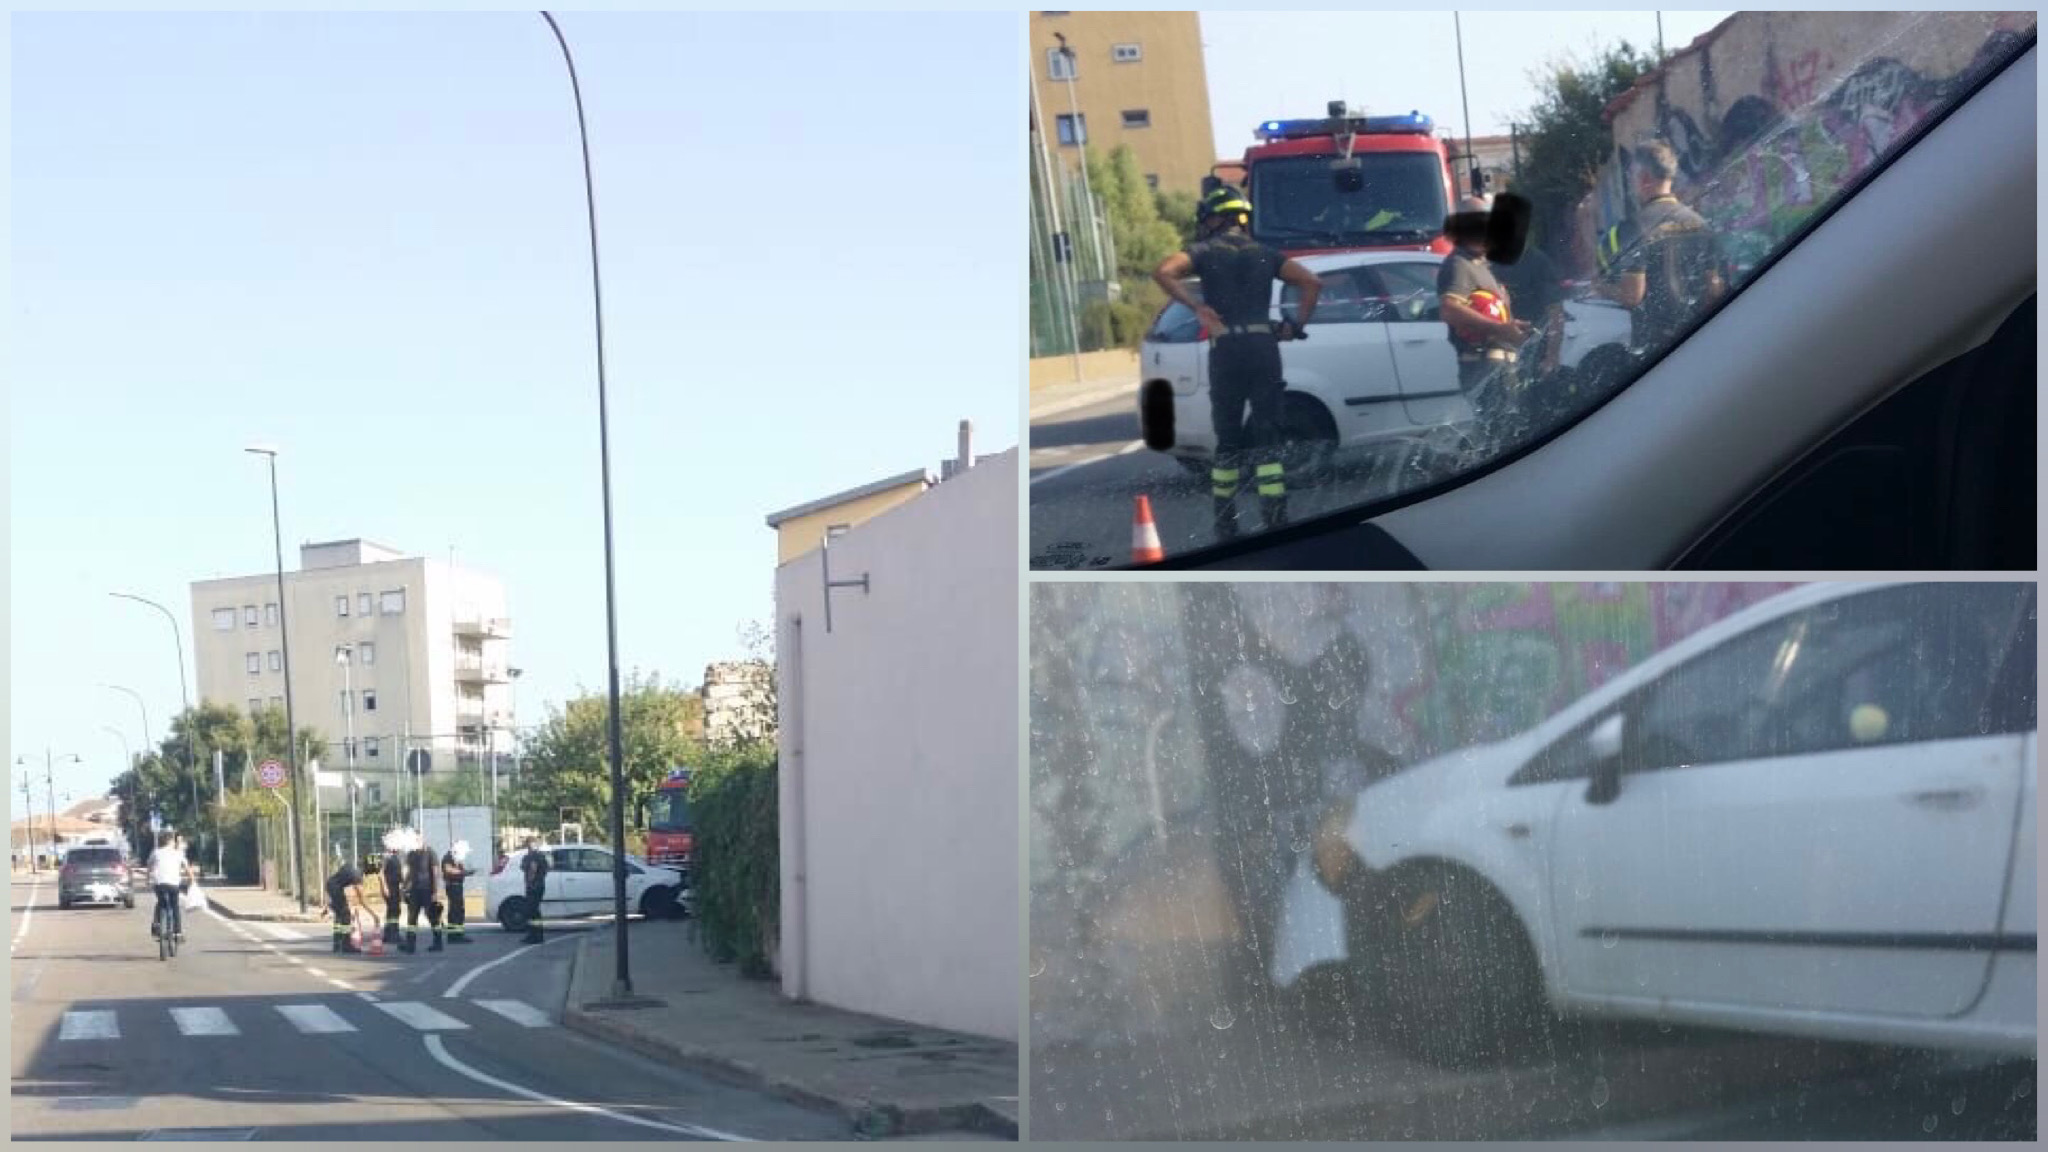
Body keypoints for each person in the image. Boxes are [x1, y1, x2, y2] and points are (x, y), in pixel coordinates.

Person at [1152, 177, 1322, 538]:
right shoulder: (1267, 254)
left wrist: (1197, 306)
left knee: (1227, 440)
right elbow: (1312, 283)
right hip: (1263, 349)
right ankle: (1276, 517)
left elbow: (1163, 271)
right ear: (1243, 219)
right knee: (1268, 436)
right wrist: (1295, 325)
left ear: (1214, 218)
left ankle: (1225, 522)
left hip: (1226, 351)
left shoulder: (1205, 252)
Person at [1596, 139, 1727, 351]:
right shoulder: (1700, 223)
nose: (1631, 183)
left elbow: (1632, 296)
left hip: (1656, 349)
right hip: (1701, 337)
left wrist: (1601, 288)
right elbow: (1714, 288)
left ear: (1645, 178)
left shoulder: (1634, 227)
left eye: (1631, 176)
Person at [1437, 195, 1534, 400]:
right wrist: (1500, 329)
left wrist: (1511, 326)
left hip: (1499, 365)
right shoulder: (1459, 265)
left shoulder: (1479, 265)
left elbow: (1488, 311)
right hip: (1483, 365)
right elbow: (1449, 309)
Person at [1491, 234, 1567, 383]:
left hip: (1536, 345)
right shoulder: (1495, 263)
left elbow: (1555, 311)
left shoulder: (1538, 263)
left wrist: (1551, 355)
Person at [145, 831, 195, 943]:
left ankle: (157, 924)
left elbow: (149, 866)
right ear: (170, 841)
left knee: (161, 902)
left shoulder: (156, 852)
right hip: (173, 885)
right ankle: (178, 933)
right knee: (175, 906)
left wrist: (147, 880)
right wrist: (192, 880)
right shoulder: (178, 853)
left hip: (160, 884)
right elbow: (187, 869)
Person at [401, 831, 444, 953]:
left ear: (422, 839)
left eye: (418, 839)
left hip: (427, 890)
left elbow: (435, 873)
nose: (416, 841)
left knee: (432, 917)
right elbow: (409, 872)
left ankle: (438, 943)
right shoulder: (411, 854)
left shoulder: (430, 853)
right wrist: (404, 888)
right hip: (414, 891)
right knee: (411, 918)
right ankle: (410, 945)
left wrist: (435, 892)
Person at [323, 855, 368, 953]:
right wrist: (372, 913)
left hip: (331, 885)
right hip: (335, 888)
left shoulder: (351, 868)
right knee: (346, 915)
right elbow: (361, 897)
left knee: (339, 915)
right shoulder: (357, 875)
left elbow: (345, 884)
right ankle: (346, 945)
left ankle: (337, 943)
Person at [440, 841, 475, 945]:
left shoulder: (456, 858)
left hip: (458, 886)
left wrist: (467, 872)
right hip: (453, 886)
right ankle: (454, 935)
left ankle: (458, 934)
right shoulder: (448, 857)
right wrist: (463, 872)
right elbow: (448, 870)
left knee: (459, 911)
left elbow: (461, 870)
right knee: (455, 911)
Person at [518, 838, 550, 945]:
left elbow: (533, 868)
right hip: (540, 886)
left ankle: (533, 935)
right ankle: (537, 935)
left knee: (531, 912)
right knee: (535, 912)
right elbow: (546, 869)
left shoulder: (532, 856)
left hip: (533, 887)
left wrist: (530, 882)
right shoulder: (541, 856)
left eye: (528, 844)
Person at [379, 838, 404, 946]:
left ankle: (388, 934)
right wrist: (385, 887)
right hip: (390, 887)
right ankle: (393, 934)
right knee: (394, 910)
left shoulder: (395, 857)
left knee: (393, 911)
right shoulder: (387, 857)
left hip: (395, 887)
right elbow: (380, 873)